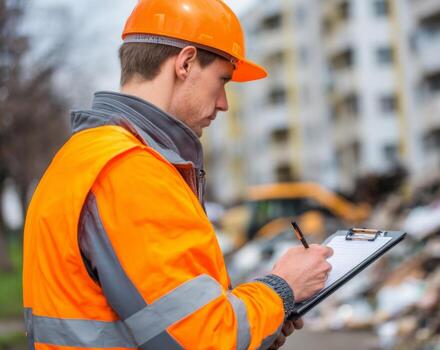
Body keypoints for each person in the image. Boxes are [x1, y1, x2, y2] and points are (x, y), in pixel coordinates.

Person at [22, 0, 333, 349]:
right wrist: (283, 287)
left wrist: (264, 320)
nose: (223, 103)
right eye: (222, 80)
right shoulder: (132, 171)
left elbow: (160, 322)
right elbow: (205, 339)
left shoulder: (81, 156)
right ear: (185, 63)